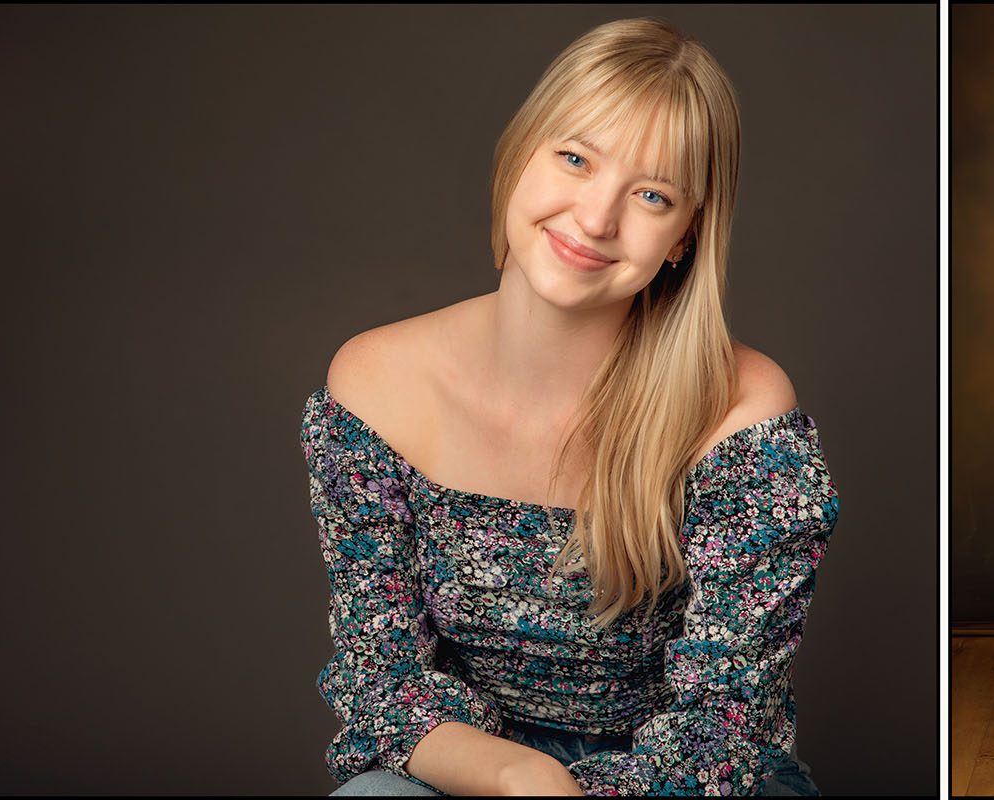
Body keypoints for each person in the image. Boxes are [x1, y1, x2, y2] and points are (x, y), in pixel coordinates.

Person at [300, 18, 838, 796]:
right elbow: (381, 682)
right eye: (576, 158)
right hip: (475, 766)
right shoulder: (375, 385)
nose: (594, 219)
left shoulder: (743, 412)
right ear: (521, 154)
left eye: (652, 194)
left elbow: (722, 722)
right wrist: (523, 778)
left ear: (685, 235)